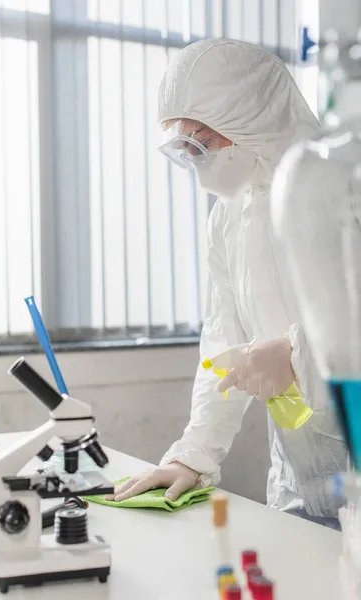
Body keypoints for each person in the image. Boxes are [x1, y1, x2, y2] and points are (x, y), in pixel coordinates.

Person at [107, 39, 347, 528]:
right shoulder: (227, 217)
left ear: (250, 116)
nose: (194, 155)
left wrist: (296, 355)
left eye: (202, 140)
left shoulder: (342, 191)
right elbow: (222, 345)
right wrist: (193, 454)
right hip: (298, 478)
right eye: (183, 143)